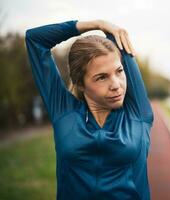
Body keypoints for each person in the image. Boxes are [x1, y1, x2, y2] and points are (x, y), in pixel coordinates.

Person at [25, 19, 154, 200]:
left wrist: (110, 31)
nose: (116, 85)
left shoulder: (137, 112)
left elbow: (118, 39)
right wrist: (97, 24)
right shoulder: (64, 111)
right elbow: (34, 39)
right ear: (80, 83)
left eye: (119, 71)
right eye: (102, 77)